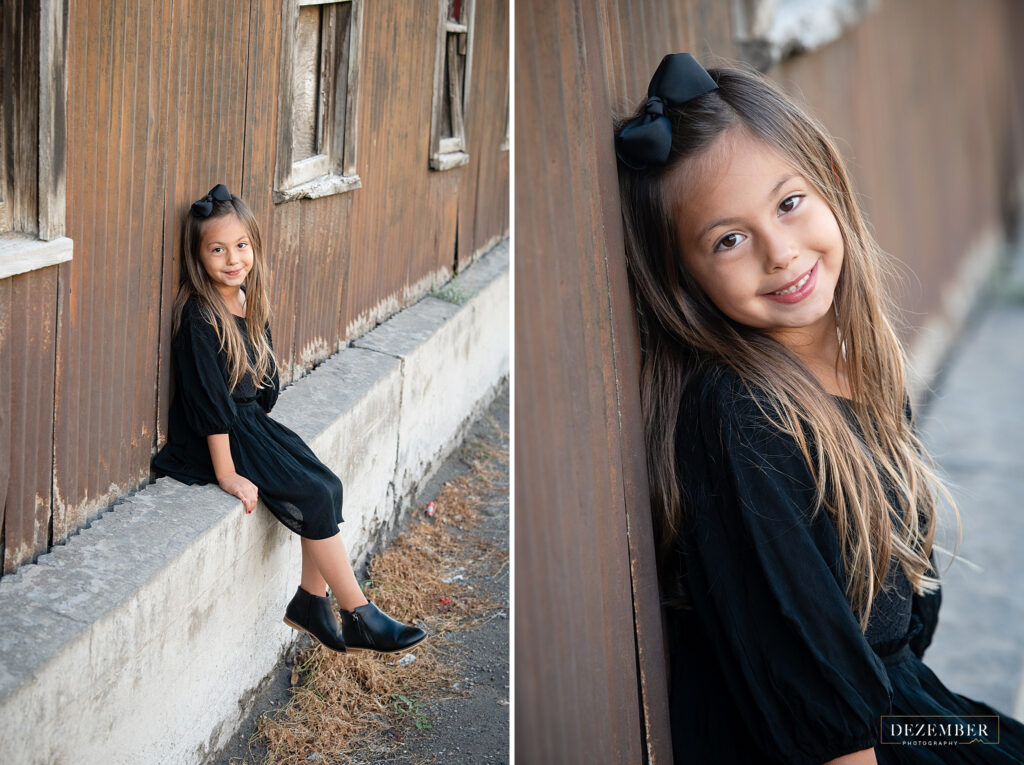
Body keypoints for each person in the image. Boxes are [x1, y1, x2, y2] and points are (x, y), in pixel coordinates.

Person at [614, 54, 1024, 763]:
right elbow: (828, 729)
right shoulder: (741, 419)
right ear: (684, 280)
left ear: (830, 183)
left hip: (901, 708)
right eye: (729, 240)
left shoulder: (861, 359)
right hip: (845, 741)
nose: (780, 252)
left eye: (789, 202)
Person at [152, 184, 425, 656]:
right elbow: (209, 404)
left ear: (254, 245)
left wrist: (267, 420)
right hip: (220, 437)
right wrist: (227, 473)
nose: (233, 259)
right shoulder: (200, 316)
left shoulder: (245, 300)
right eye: (217, 250)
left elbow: (263, 376)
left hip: (251, 424)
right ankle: (359, 614)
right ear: (198, 258)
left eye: (241, 246)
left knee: (328, 485)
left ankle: (311, 602)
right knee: (315, 494)